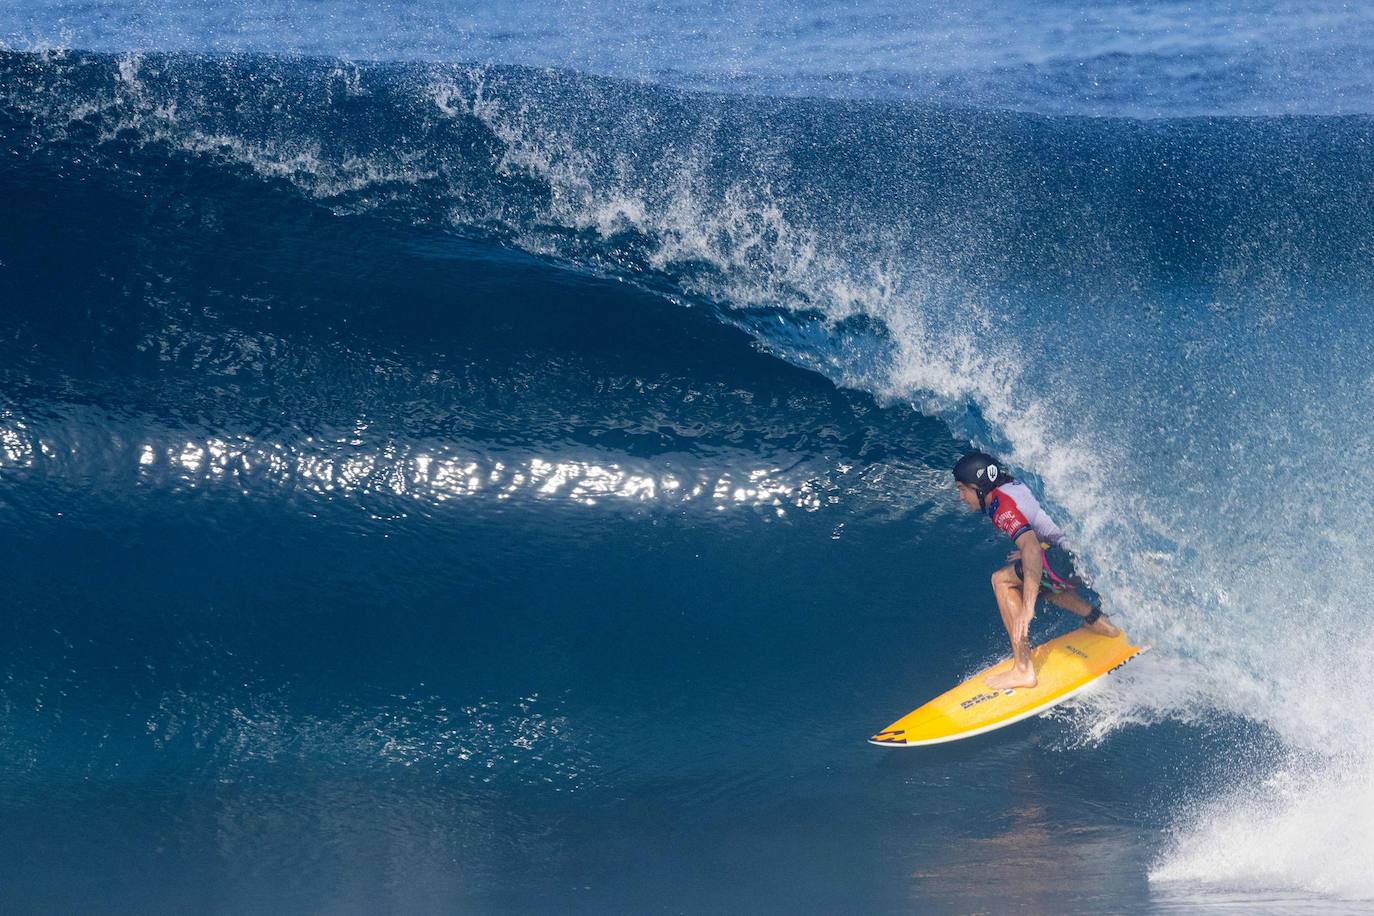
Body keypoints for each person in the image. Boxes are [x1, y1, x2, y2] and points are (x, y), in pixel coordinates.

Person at [953, 451, 1120, 690]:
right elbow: (1041, 520)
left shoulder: (1001, 506)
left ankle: (1023, 670)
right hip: (1091, 553)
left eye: (962, 489)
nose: (961, 497)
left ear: (979, 487)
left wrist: (1028, 605)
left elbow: (1031, 547)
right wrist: (1036, 553)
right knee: (1035, 577)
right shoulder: (1013, 483)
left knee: (1003, 581)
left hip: (1075, 559)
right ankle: (1099, 623)